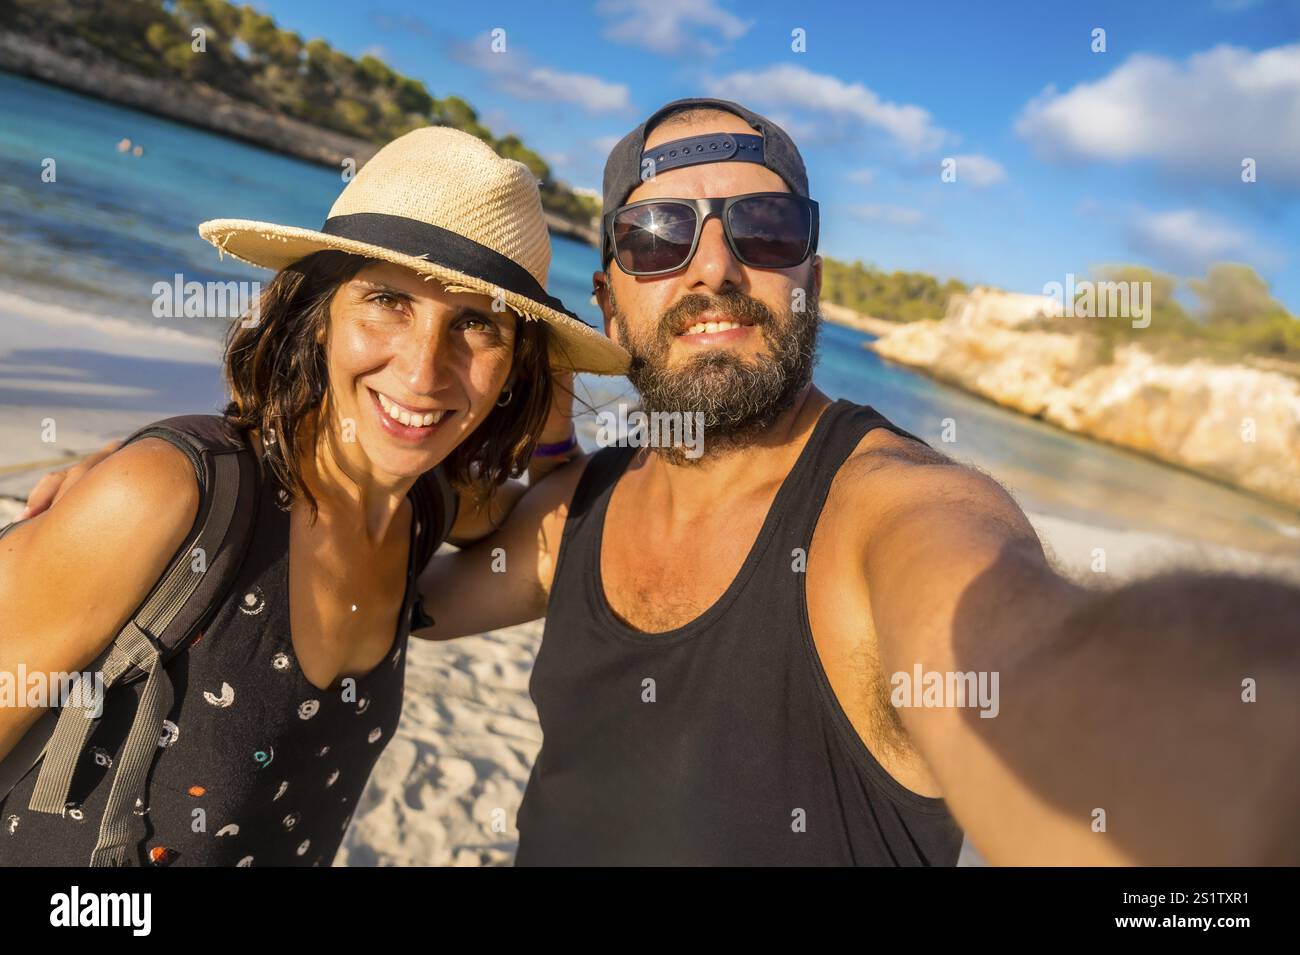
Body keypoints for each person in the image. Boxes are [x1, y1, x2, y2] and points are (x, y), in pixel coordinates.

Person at [414, 98, 1300, 866]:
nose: (715, 268)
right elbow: (403, 603)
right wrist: (533, 432)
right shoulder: (584, 504)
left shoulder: (896, 514)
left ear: (814, 281)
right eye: (658, 238)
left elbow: (1024, 654)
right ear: (608, 304)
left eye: (764, 228)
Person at [0, 124, 627, 866]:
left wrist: (551, 368)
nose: (425, 372)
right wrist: (122, 486)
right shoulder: (171, 497)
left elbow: (553, 509)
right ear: (317, 313)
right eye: (388, 301)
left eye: (474, 323)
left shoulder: (423, 512)